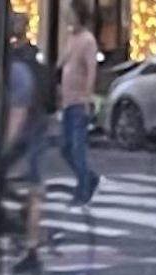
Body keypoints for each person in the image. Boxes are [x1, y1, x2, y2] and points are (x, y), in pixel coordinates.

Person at [2, 11, 48, 272]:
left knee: (34, 188)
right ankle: (21, 217)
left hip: (32, 131)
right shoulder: (28, 56)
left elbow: (18, 113)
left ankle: (33, 248)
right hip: (34, 127)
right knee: (5, 179)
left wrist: (3, 147)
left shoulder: (18, 65)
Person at [57, 0, 100, 204]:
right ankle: (89, 178)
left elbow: (91, 71)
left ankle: (83, 190)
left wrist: (86, 99)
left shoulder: (88, 40)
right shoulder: (71, 37)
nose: (67, 16)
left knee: (77, 149)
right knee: (65, 147)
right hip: (67, 101)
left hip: (78, 102)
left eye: (70, 13)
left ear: (78, 14)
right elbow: (66, 61)